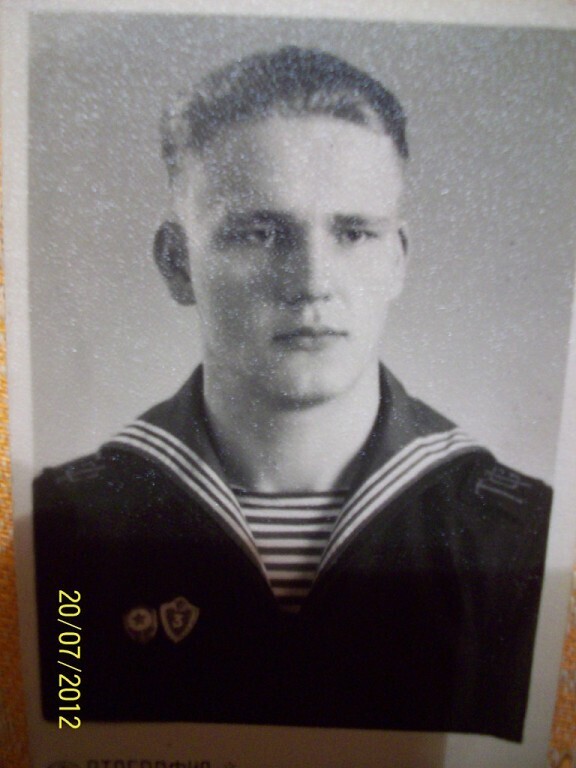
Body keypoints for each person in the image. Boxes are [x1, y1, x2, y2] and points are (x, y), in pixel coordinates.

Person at [34, 46, 551, 741]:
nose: (311, 281)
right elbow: (57, 739)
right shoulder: (63, 528)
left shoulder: (521, 534)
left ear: (397, 260)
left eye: (354, 233)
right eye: (258, 233)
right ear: (178, 262)